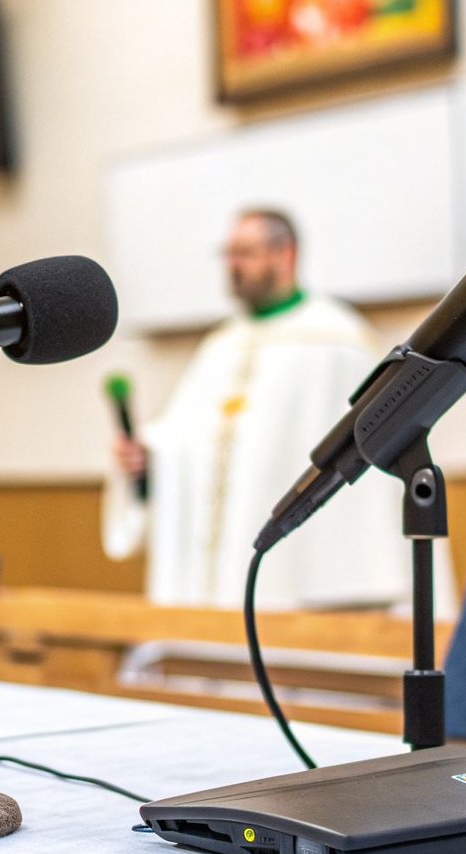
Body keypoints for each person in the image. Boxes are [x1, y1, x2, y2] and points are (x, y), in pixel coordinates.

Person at [104, 209, 430, 612]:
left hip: (296, 582)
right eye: (229, 254)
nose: (233, 266)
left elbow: (362, 475)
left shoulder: (336, 345)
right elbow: (182, 441)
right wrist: (147, 458)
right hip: (219, 581)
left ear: (285, 254)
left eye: (244, 253)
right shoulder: (220, 346)